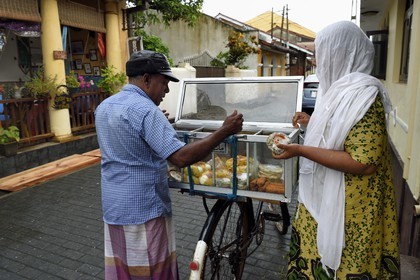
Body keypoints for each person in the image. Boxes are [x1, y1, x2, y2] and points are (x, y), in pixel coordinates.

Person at [95, 50, 244, 279]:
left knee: (123, 269)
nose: (166, 90)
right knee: (151, 270)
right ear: (146, 79)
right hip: (143, 209)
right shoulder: (146, 111)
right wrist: (223, 131)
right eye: (163, 83)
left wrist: (158, 124)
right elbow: (181, 158)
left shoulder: (105, 106)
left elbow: (128, 141)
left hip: (114, 206)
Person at [272, 21, 400, 279]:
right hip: (324, 201)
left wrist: (300, 150)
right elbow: (340, 134)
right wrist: (310, 123)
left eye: (322, 53)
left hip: (351, 213)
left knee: (344, 268)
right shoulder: (338, 92)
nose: (317, 62)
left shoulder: (365, 96)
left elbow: (364, 163)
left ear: (342, 53)